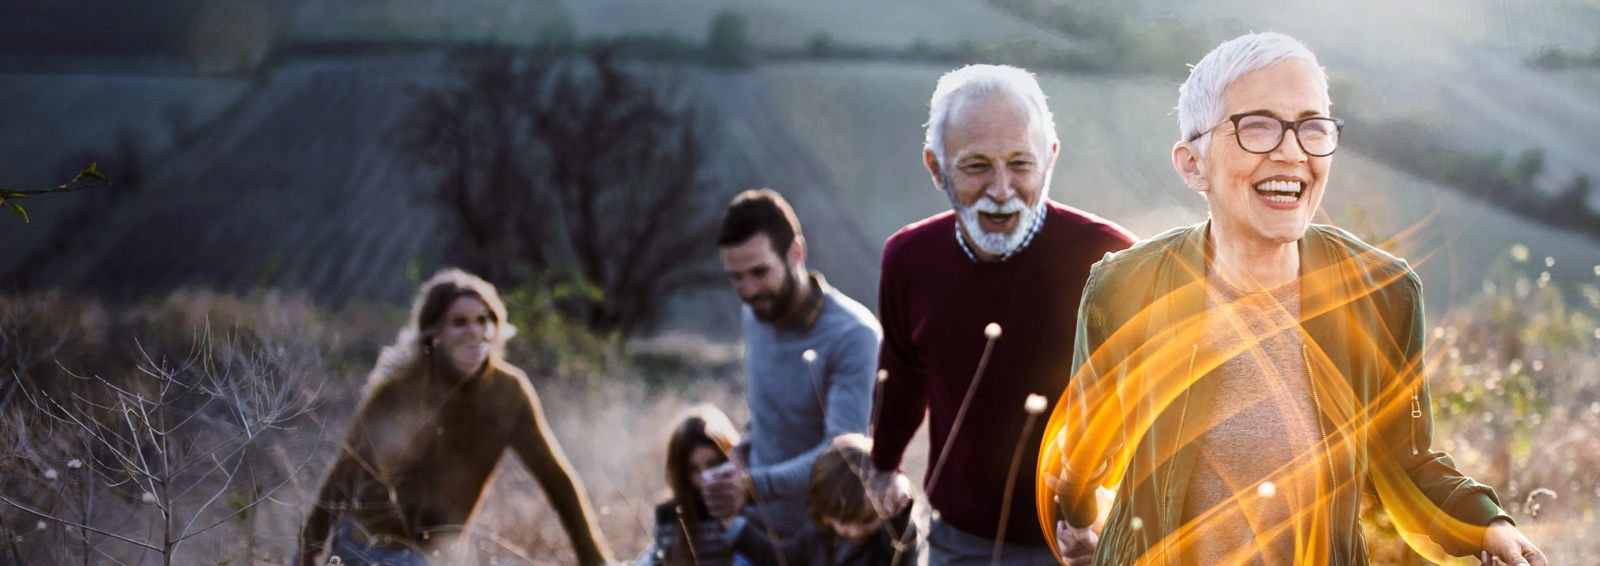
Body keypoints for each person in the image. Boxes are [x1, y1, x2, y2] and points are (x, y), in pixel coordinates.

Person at [1041, 32, 1547, 566]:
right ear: (1193, 164)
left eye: (1312, 127)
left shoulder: (1383, 294)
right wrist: (1077, 522)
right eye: (1257, 126)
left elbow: (1408, 459)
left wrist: (1487, 526)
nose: (1292, 151)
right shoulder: (1124, 286)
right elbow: (1086, 446)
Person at [868, 64, 1136, 565]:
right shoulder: (908, 260)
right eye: (975, 166)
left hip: (1084, 546)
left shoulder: (1112, 261)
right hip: (959, 543)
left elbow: (1150, 405)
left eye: (1020, 163)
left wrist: (1104, 517)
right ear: (935, 167)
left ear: (1050, 158)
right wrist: (883, 465)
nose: (1001, 190)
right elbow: (903, 375)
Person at [296, 269, 613, 566]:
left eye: (483, 320)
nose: (475, 331)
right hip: (371, 542)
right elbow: (344, 473)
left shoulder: (509, 392)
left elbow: (555, 477)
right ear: (434, 332)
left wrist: (594, 559)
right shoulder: (401, 390)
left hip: (440, 552)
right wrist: (306, 555)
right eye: (459, 322)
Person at [710, 188, 882, 538]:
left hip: (819, 539)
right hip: (752, 526)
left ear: (796, 253)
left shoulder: (854, 335)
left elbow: (842, 455)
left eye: (759, 272)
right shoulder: (754, 314)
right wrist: (741, 450)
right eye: (736, 277)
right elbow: (768, 414)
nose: (749, 290)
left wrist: (754, 486)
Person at [733, 434, 925, 566]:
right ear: (825, 514)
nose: (855, 531)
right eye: (843, 522)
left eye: (867, 521)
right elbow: (778, 558)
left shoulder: (888, 545)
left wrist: (897, 495)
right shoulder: (817, 538)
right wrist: (735, 528)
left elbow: (904, 534)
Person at [637, 405, 752, 566]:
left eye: (713, 464)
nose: (704, 477)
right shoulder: (670, 515)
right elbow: (660, 558)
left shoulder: (748, 507)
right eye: (694, 469)